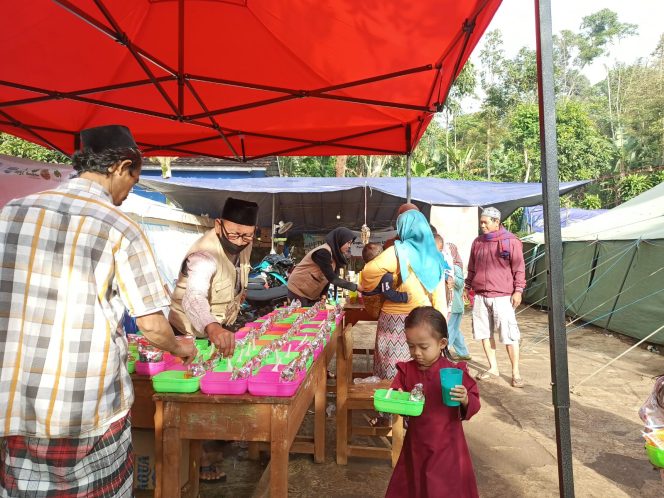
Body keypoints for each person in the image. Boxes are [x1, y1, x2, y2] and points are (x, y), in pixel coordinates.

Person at [0, 124, 196, 497]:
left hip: (19, 403)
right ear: (122, 167)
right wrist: (181, 347)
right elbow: (152, 326)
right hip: (88, 406)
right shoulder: (120, 227)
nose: (128, 193)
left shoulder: (13, 212)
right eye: (134, 180)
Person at [168, 196, 258, 483]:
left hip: (219, 330)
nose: (241, 240)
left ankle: (215, 449)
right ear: (218, 225)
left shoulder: (244, 244)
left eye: (248, 235)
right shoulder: (203, 255)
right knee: (197, 399)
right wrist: (212, 327)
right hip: (188, 335)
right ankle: (200, 461)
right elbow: (194, 296)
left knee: (220, 390)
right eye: (234, 233)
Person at [386, 306, 480, 498]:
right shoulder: (407, 370)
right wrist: (398, 396)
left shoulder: (453, 372)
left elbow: (474, 401)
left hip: (447, 445)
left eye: (423, 346)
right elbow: (395, 392)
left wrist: (464, 398)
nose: (416, 353)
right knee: (414, 485)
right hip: (416, 443)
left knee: (442, 488)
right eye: (411, 346)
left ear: (442, 343)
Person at [359, 210, 448, 380]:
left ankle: (390, 402)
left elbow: (368, 272)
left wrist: (389, 280)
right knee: (420, 366)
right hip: (422, 319)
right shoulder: (435, 255)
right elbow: (439, 297)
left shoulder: (397, 252)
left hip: (392, 320)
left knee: (391, 369)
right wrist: (441, 328)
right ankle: (417, 403)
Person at [465, 206, 526, 388]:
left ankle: (516, 373)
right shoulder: (477, 242)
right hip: (481, 296)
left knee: (509, 335)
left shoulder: (511, 241)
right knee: (484, 333)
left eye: (485, 222)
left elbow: (519, 268)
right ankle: (493, 368)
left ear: (496, 222)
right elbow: (472, 267)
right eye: (481, 222)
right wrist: (468, 287)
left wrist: (518, 290)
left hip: (503, 297)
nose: (482, 225)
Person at [287, 227, 357, 306]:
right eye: (348, 242)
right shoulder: (324, 252)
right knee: (300, 316)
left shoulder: (334, 255)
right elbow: (333, 278)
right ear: (340, 240)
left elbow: (327, 278)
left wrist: (323, 295)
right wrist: (356, 287)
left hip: (310, 293)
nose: (349, 246)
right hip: (298, 289)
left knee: (314, 315)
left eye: (350, 243)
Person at [435, 234, 472, 361]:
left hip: (455, 305)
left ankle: (445, 353)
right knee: (455, 330)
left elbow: (461, 284)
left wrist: (452, 278)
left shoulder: (455, 267)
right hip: (450, 304)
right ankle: (464, 353)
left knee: (450, 330)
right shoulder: (445, 265)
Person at [359, 243, 409, 318]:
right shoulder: (384, 273)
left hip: (369, 305)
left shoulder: (367, 268)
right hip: (377, 307)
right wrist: (405, 297)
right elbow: (387, 292)